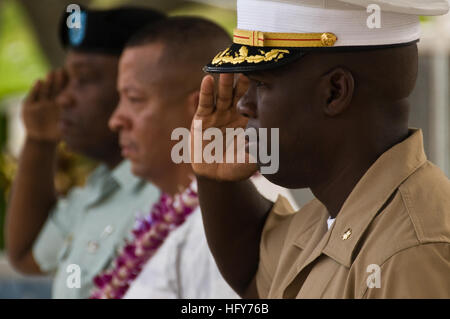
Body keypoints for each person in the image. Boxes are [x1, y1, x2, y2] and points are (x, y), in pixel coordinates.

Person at [190, 0, 450, 298]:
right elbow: (256, 278)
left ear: (334, 92)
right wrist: (217, 179)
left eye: (261, 84)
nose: (243, 104)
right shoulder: (333, 210)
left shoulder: (410, 254)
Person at [5, 7, 165, 298]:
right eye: (66, 79)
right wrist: (40, 142)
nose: (64, 97)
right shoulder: (101, 187)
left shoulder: (175, 193)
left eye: (85, 79)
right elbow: (27, 254)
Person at [101, 17, 238, 299]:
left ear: (201, 108)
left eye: (135, 99)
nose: (115, 120)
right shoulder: (175, 213)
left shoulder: (229, 224)